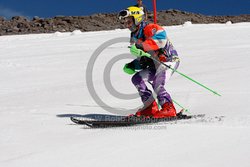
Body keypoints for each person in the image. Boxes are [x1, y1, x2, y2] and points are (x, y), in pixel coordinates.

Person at [118, 6, 180, 118]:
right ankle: (150, 108)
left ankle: (168, 108)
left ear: (137, 18)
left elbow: (161, 40)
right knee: (137, 79)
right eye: (125, 23)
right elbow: (143, 58)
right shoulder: (134, 37)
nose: (127, 25)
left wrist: (141, 46)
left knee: (157, 81)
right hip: (154, 65)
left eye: (129, 21)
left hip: (168, 61)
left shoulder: (150, 27)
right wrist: (133, 65)